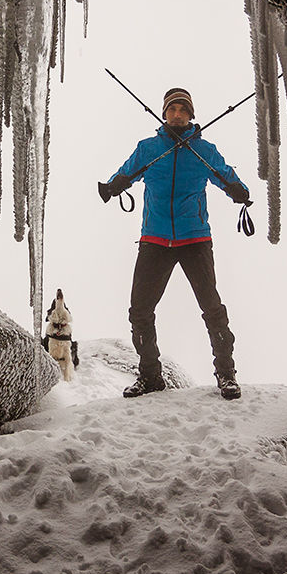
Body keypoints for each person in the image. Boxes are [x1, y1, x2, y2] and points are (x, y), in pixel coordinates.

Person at [99, 87, 252, 400]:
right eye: (172, 109)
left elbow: (225, 175)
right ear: (165, 113)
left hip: (195, 238)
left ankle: (226, 375)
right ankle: (151, 377)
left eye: (183, 110)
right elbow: (128, 172)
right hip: (154, 239)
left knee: (212, 308)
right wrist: (114, 185)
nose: (178, 114)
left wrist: (238, 190)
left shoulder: (204, 150)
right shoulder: (149, 148)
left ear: (191, 116)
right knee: (140, 310)